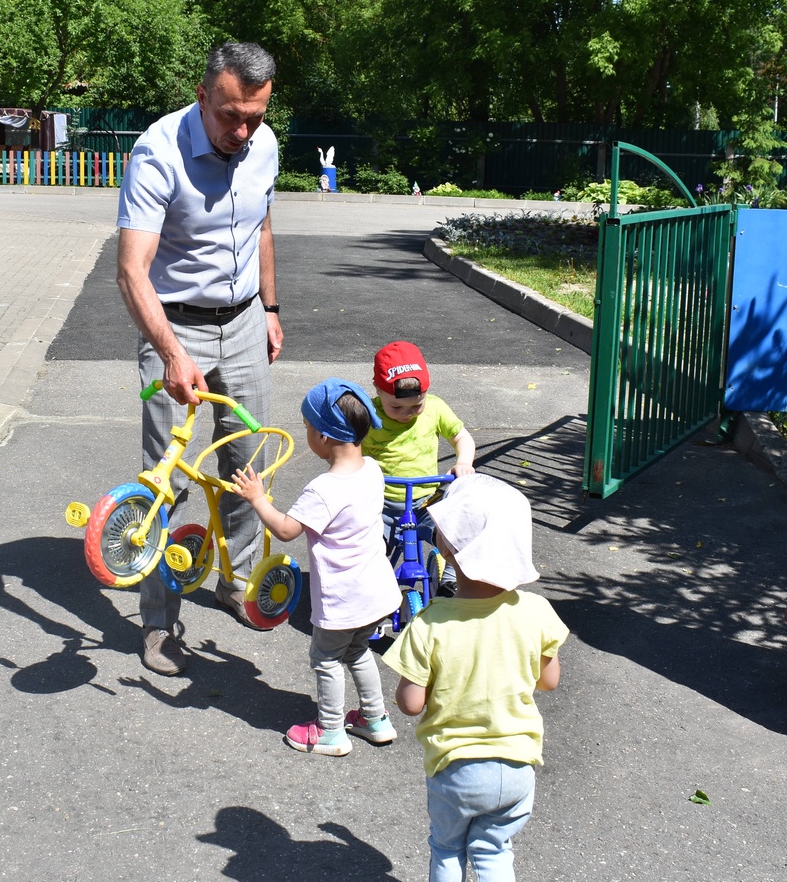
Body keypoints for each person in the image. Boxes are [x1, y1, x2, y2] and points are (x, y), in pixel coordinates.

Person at [115, 41, 284, 676]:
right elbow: (132, 271)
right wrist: (169, 352)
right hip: (175, 325)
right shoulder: (157, 152)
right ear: (202, 95)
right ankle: (158, 621)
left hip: (243, 321)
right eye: (230, 116)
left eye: (255, 118)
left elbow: (263, 225)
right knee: (168, 477)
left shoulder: (262, 145)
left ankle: (235, 579)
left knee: (247, 459)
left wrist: (269, 308)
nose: (242, 132)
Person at [382, 474, 566, 882]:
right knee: (494, 851)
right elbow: (549, 681)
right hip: (518, 767)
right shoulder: (536, 612)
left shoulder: (430, 623)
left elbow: (410, 703)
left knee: (447, 848)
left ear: (446, 547)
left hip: (456, 769)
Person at [233, 378, 400, 756]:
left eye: (308, 427)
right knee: (358, 652)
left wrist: (257, 498)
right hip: (375, 592)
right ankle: (375, 720)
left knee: (326, 660)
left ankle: (329, 730)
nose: (306, 434)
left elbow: (286, 530)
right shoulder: (372, 469)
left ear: (324, 436)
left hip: (343, 599)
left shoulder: (324, 490)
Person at [363, 341, 476, 557]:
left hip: (426, 501)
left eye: (417, 405)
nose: (407, 413)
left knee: (456, 538)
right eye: (396, 407)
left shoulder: (435, 408)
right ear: (378, 389)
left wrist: (463, 462)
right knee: (369, 551)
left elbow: (462, 437)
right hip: (380, 504)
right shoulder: (367, 414)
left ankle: (452, 583)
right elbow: (346, 445)